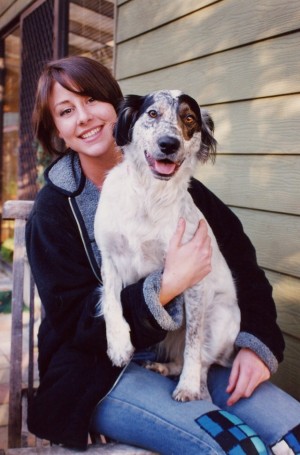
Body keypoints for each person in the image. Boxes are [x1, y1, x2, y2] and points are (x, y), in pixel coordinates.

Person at [25, 55, 300, 454]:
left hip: (188, 351)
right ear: (58, 131)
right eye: (66, 111)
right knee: (238, 447)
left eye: (92, 101)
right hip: (98, 370)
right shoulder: (53, 211)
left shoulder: (182, 188)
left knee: (291, 435)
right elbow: (74, 322)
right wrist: (167, 286)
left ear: (118, 109)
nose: (83, 117)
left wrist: (258, 344)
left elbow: (244, 267)